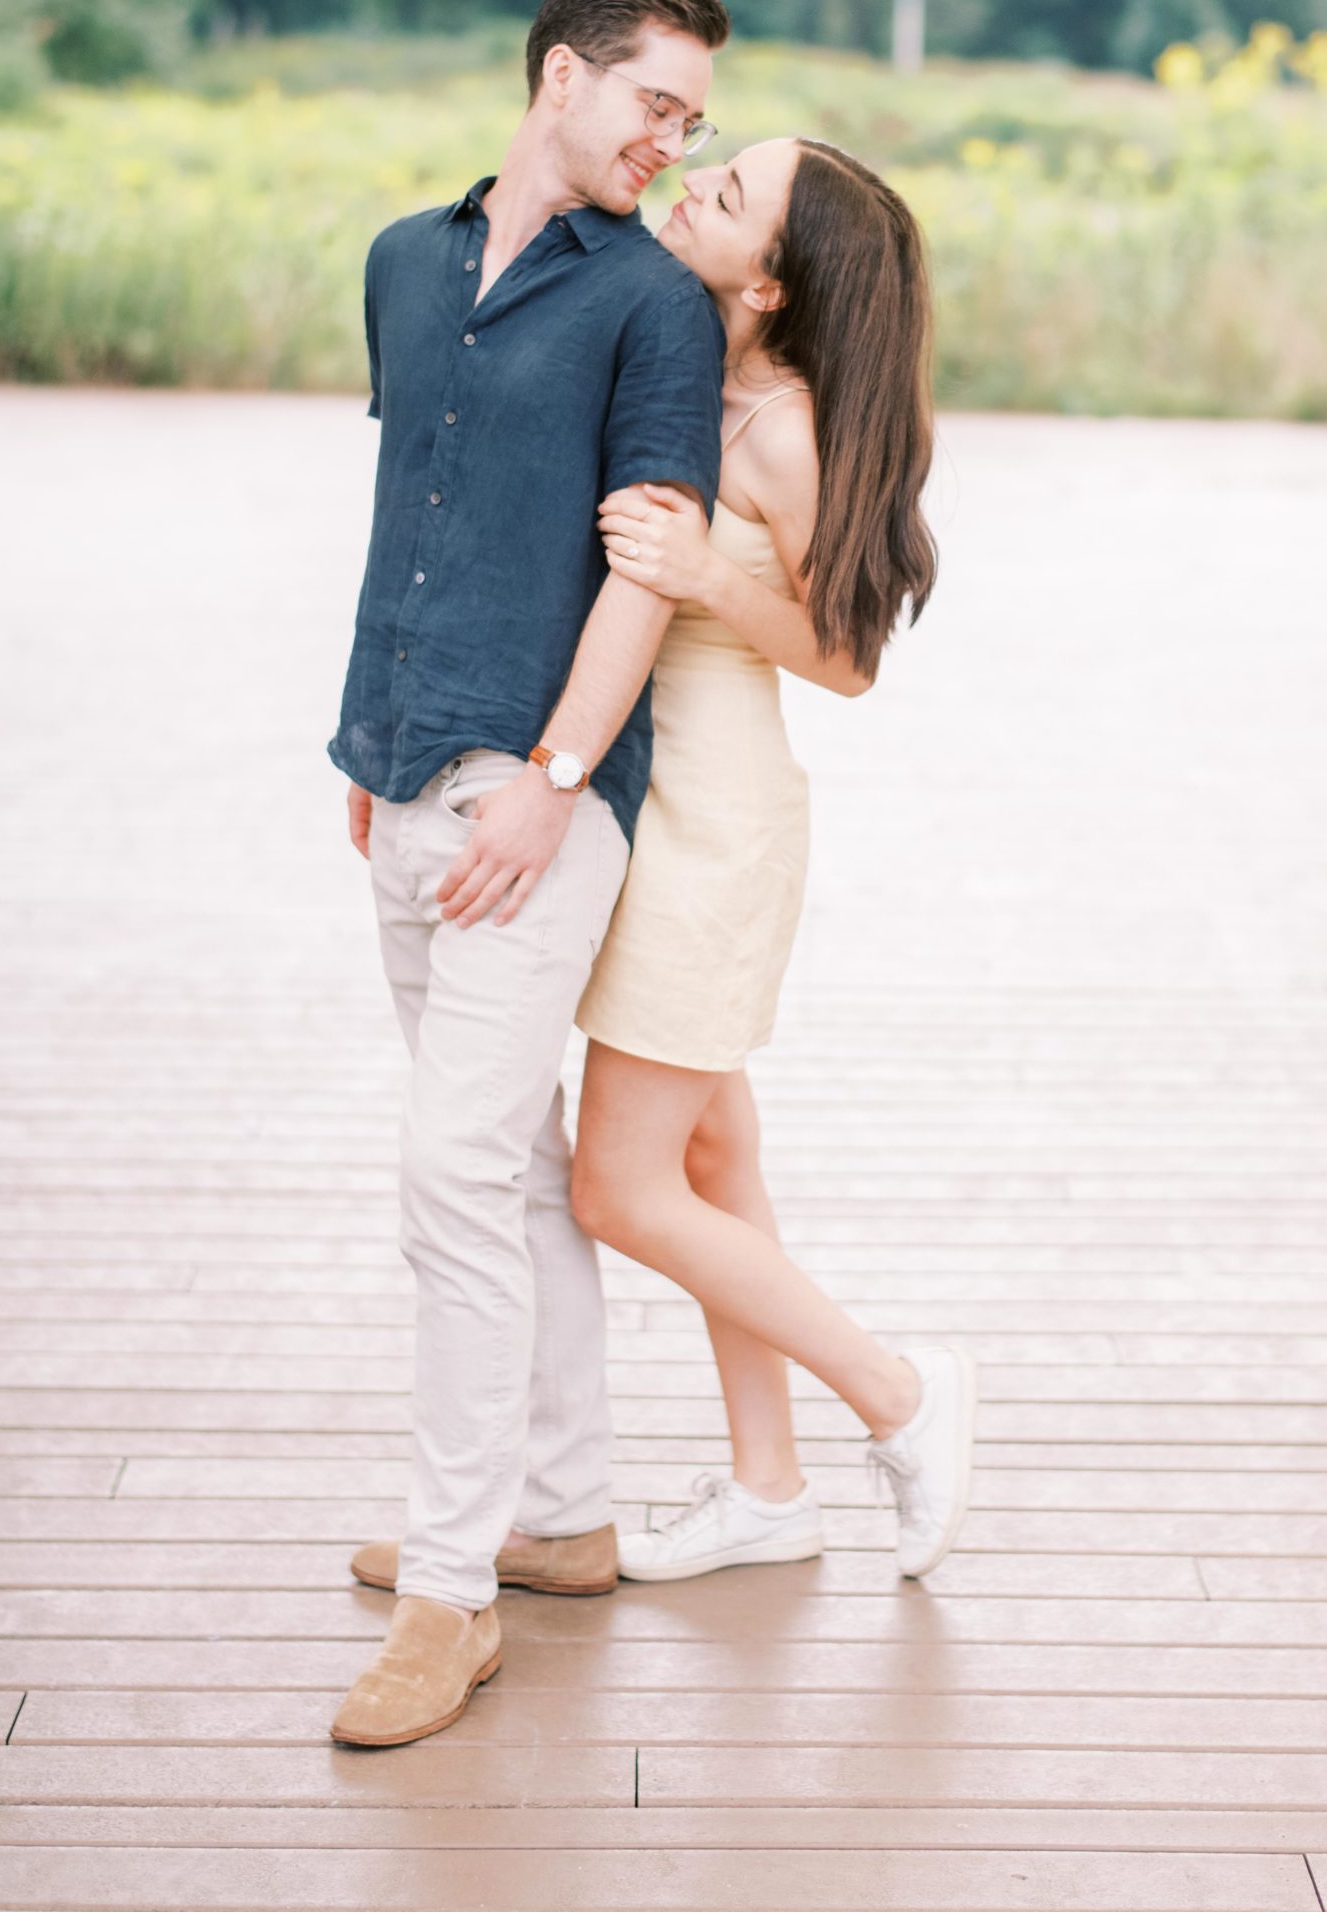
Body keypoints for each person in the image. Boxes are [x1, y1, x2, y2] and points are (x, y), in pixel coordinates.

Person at [325, 0, 731, 1750]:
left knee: (449, 1174)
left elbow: (649, 557)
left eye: (695, 121)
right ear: (562, 75)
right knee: (514, 1167)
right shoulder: (407, 261)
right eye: (656, 100)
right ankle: (559, 1515)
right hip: (405, 776)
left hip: (538, 804)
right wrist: (374, 740)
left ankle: (450, 1594)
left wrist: (559, 776)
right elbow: (410, 502)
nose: (672, 137)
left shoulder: (653, 305)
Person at [568, 133, 978, 1584]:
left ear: (770, 280)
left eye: (725, 197)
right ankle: (769, 1488)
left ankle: (901, 1396)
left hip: (715, 830)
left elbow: (851, 660)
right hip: (655, 806)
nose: (693, 191)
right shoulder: (700, 370)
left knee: (615, 1189)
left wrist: (706, 575)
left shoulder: (784, 429)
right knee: (714, 1155)